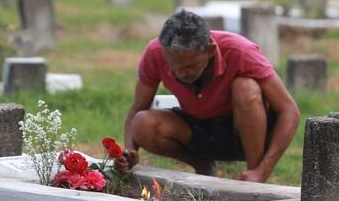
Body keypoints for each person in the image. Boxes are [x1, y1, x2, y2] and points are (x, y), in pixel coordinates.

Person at [114, 10, 300, 183]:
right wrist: (129, 152)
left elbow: (289, 110)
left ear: (210, 50)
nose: (180, 74)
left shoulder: (241, 52)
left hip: (244, 132)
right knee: (143, 123)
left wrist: (262, 171)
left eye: (189, 66)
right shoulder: (155, 52)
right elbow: (137, 109)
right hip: (197, 130)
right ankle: (203, 165)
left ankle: (253, 175)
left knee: (246, 88)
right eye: (173, 66)